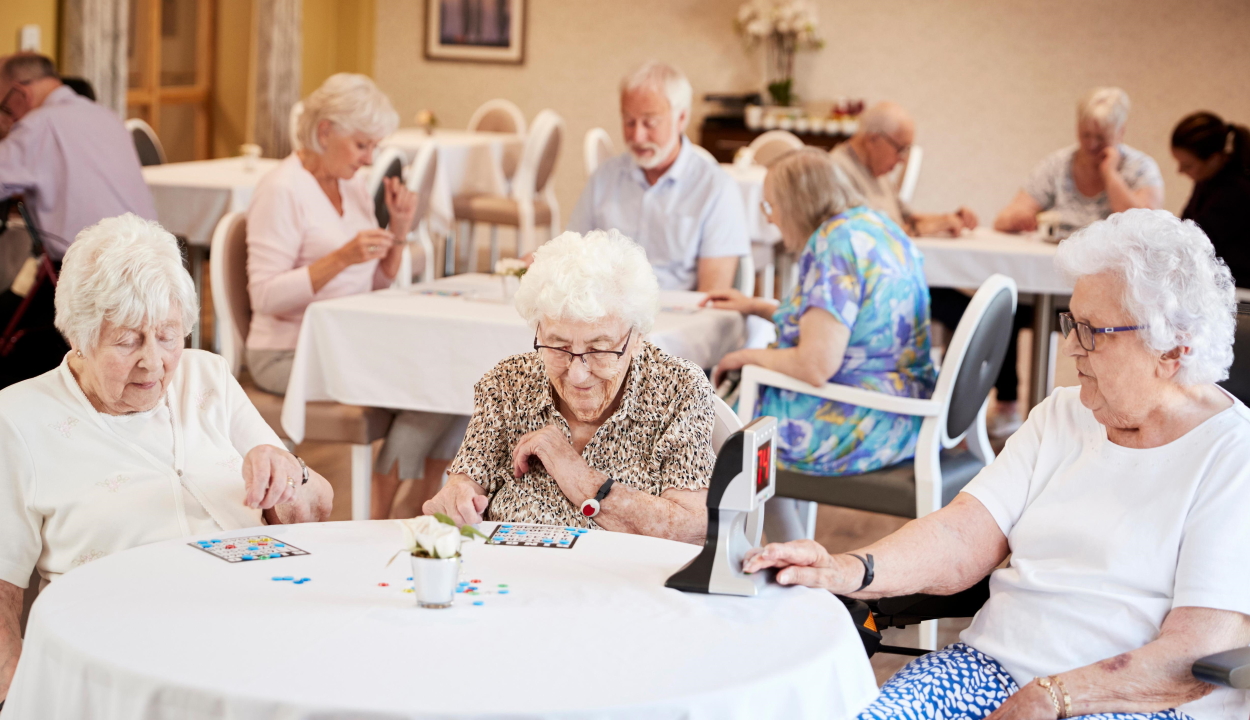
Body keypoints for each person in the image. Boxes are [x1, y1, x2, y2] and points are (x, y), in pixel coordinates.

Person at [745, 209, 1250, 720]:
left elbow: (1193, 653)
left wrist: (1055, 696)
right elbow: (961, 534)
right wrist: (849, 568)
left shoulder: (1233, 457)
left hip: (1124, 701)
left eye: (1093, 331)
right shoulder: (1061, 416)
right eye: (1071, 323)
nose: (1071, 346)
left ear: (1169, 349)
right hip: (988, 669)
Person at [0, 214, 334, 704]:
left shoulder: (209, 377)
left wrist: (289, 475)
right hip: (120, 660)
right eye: (127, 340)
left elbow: (314, 510)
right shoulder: (20, 418)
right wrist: (19, 694)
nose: (154, 362)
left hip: (255, 627)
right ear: (79, 336)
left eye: (168, 335)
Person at [245, 72, 453, 519]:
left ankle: (410, 505)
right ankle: (388, 512)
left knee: (452, 379)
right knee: (436, 385)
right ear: (325, 131)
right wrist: (339, 258)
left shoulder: (351, 186)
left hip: (347, 343)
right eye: (363, 145)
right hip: (287, 353)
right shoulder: (281, 190)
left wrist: (397, 230)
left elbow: (372, 286)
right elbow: (263, 297)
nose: (369, 159)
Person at [702, 148, 936, 542]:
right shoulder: (872, 226)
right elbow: (844, 324)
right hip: (903, 409)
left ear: (796, 203)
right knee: (741, 418)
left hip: (865, 419)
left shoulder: (833, 246)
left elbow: (815, 364)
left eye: (771, 205)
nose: (769, 217)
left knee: (719, 424)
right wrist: (760, 307)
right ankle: (786, 550)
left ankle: (779, 557)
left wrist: (745, 356)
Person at [423, 229, 715, 543]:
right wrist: (457, 499)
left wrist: (577, 475)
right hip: (518, 579)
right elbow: (465, 483)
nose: (576, 374)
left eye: (599, 349)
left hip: (626, 584)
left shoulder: (678, 390)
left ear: (637, 336)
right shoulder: (508, 384)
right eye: (558, 346)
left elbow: (693, 526)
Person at [0, 53, 156, 388]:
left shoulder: (38, 124)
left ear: (20, 94)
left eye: (5, 110)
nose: (8, 119)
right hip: (149, 264)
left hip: (90, 275)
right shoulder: (106, 116)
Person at [568, 61, 749, 291]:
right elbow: (571, 254)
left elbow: (713, 295)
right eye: (629, 122)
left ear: (681, 118)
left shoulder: (715, 188)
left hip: (679, 317)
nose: (638, 135)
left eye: (650, 123)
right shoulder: (605, 177)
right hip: (607, 318)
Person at [995, 87, 1164, 234]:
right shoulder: (1056, 164)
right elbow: (1004, 219)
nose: (1092, 145)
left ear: (1121, 132)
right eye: (1086, 135)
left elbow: (1144, 228)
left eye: (1101, 137)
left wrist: (1109, 173)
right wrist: (1018, 218)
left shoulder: (1142, 167)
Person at [829, 101, 978, 237]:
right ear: (873, 139)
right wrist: (924, 228)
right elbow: (864, 235)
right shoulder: (834, 170)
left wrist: (950, 219)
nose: (903, 159)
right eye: (900, 149)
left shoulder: (877, 170)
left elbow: (906, 217)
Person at [1171, 111, 1250, 288]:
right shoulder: (1206, 180)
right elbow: (1185, 225)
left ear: (1214, 159)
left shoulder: (1237, 191)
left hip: (1240, 291)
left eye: (1188, 165)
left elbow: (1195, 240)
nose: (1180, 171)